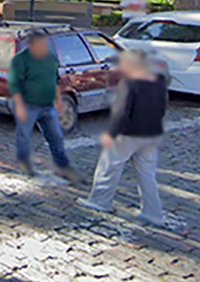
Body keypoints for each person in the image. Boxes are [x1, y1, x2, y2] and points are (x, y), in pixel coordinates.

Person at [79, 50, 167, 225]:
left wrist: (111, 135)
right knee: (147, 173)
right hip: (152, 133)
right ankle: (153, 212)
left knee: (109, 167)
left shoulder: (129, 84)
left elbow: (121, 113)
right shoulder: (159, 81)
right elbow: (162, 108)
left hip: (129, 133)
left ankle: (100, 201)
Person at [9, 32, 83, 182]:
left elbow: (55, 81)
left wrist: (59, 101)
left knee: (56, 137)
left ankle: (62, 166)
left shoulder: (50, 58)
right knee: (24, 136)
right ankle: (25, 164)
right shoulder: (21, 60)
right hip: (28, 105)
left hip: (48, 106)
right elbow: (14, 85)